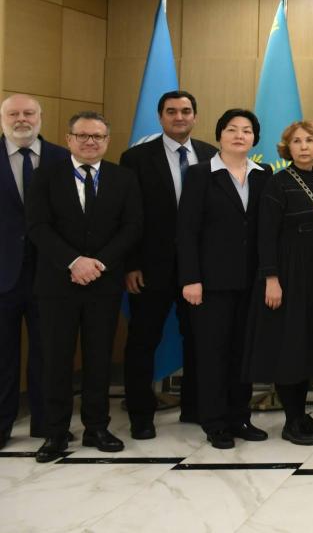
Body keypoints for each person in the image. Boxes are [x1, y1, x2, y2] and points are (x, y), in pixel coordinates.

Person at [28, 111, 141, 462]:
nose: (90, 142)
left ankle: (97, 427)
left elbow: (132, 226)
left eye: (98, 136)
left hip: (103, 284)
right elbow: (38, 226)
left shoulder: (123, 178)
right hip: (57, 284)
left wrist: (99, 263)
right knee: (56, 360)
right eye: (83, 136)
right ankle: (55, 432)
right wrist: (74, 262)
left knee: (98, 359)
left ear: (107, 141)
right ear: (69, 139)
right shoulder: (45, 175)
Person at [120, 90, 215, 439]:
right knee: (143, 341)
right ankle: (140, 415)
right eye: (171, 111)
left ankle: (195, 407)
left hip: (200, 270)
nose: (179, 117)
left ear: (195, 116)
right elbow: (128, 215)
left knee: (200, 339)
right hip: (150, 268)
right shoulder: (136, 158)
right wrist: (131, 263)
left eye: (186, 111)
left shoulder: (212, 154)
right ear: (160, 117)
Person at [178, 109, 271, 449]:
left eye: (246, 130)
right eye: (232, 129)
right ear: (219, 135)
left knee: (242, 353)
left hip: (251, 281)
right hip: (210, 283)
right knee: (212, 353)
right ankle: (215, 422)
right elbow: (187, 230)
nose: (239, 135)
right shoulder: (200, 174)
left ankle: (239, 417)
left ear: (254, 139)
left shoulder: (263, 175)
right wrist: (191, 277)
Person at [243, 121, 313, 445]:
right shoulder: (277, 183)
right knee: (289, 346)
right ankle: (291, 420)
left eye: (310, 140)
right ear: (287, 148)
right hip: (288, 272)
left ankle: (302, 413)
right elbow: (265, 235)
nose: (304, 146)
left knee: (310, 345)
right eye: (297, 141)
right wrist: (271, 279)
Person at [0, 94, 68, 451]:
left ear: (40, 117)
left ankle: (48, 424)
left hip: (51, 274)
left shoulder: (62, 158)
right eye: (13, 113)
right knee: (2, 356)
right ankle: (1, 426)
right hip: (3, 276)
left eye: (29, 113)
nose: (21, 119)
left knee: (49, 354)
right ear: (3, 118)